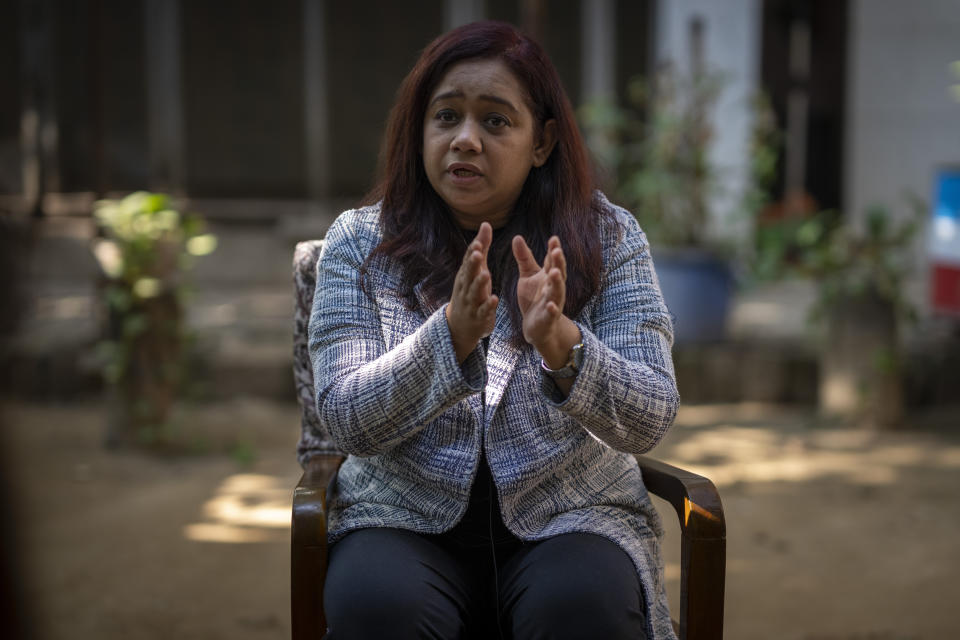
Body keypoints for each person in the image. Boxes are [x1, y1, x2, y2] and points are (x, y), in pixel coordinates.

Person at [303, 20, 680, 640]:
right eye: (446, 117)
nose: (466, 140)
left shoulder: (608, 238)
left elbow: (652, 416)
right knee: (377, 607)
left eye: (496, 121)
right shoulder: (360, 243)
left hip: (572, 517)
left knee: (580, 608)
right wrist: (447, 337)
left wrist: (562, 344)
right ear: (420, 129)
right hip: (399, 518)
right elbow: (344, 417)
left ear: (542, 141)